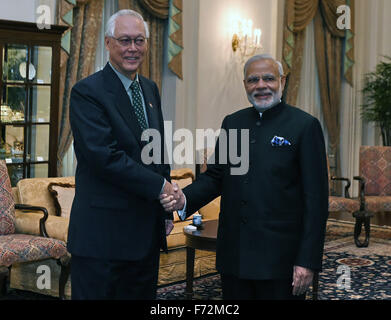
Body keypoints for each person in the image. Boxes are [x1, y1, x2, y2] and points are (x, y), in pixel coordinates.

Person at [160, 54, 329, 300]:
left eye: (268, 78)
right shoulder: (233, 122)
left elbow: (316, 201)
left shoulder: (304, 125)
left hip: (281, 260)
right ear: (245, 85)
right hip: (235, 257)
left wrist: (307, 260)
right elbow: (216, 177)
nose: (261, 85)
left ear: (282, 81)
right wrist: (183, 199)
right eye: (253, 80)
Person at [68, 9, 178, 300]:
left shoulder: (151, 89)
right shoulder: (87, 92)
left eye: (139, 40)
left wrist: (166, 205)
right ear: (107, 43)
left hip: (145, 238)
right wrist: (160, 187)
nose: (133, 48)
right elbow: (105, 157)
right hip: (102, 240)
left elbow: (157, 151)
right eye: (125, 40)